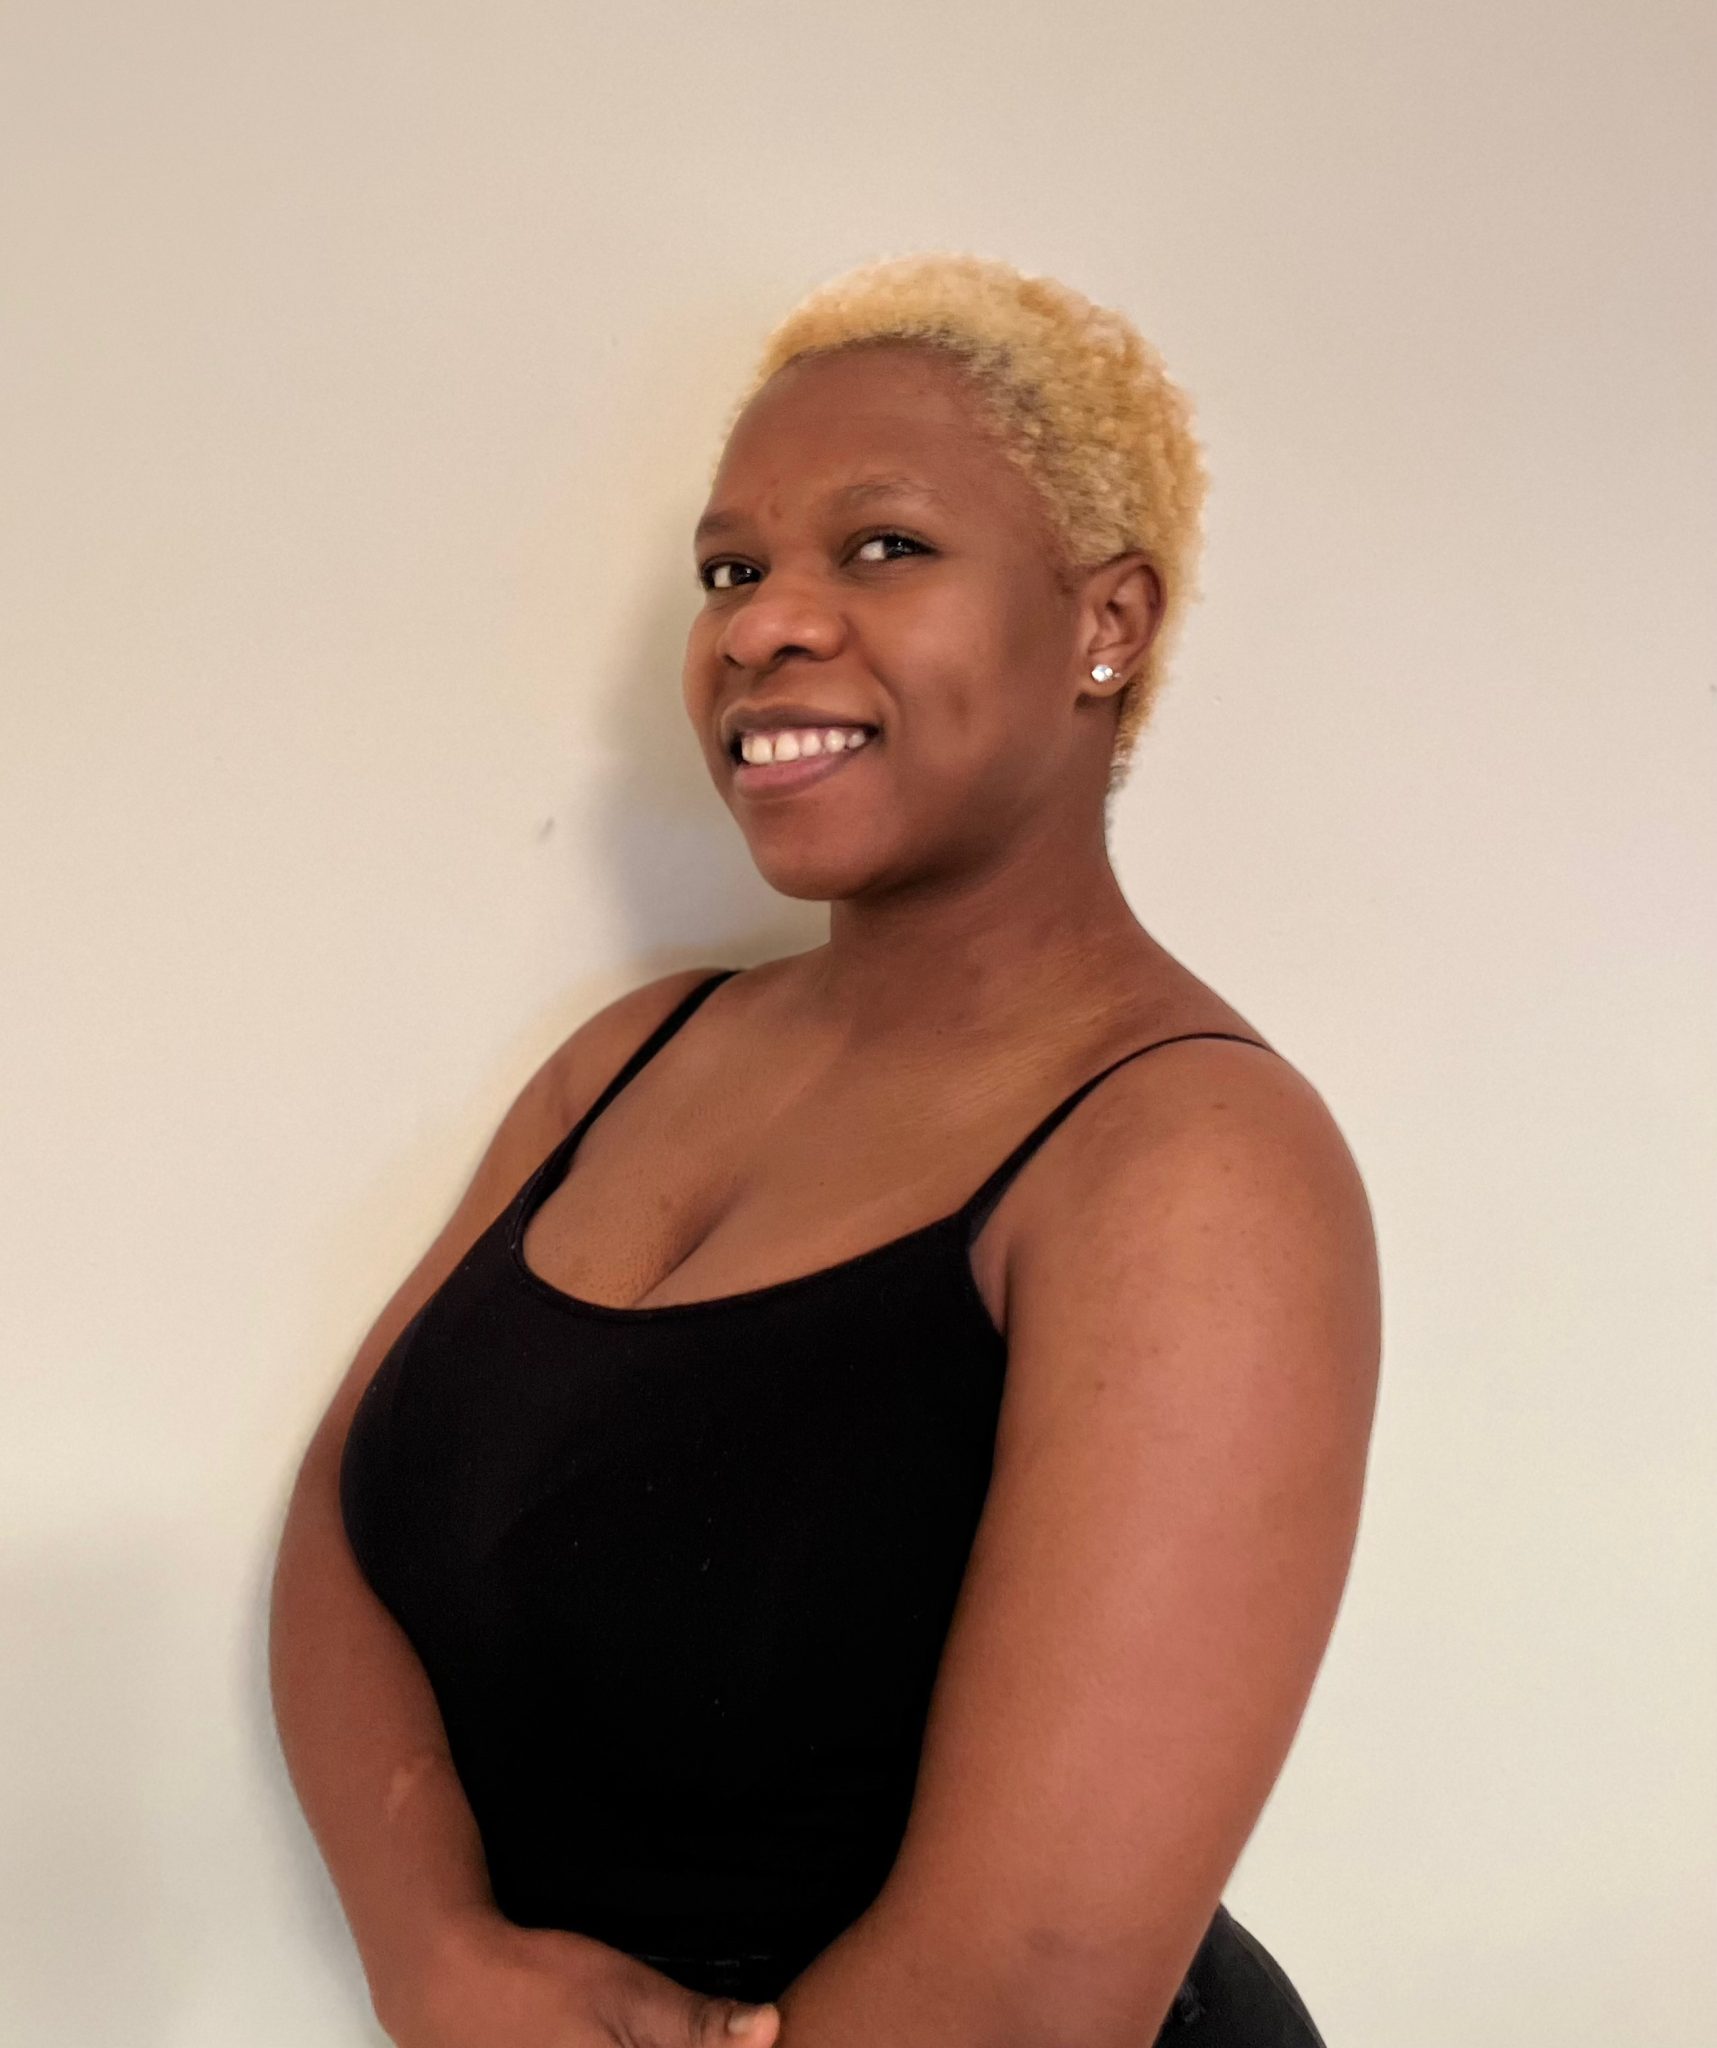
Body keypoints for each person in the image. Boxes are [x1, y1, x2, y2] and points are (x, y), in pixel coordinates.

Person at [270, 252, 1381, 2048]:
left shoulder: (1192, 1163)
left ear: (1105, 624)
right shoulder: (628, 1058)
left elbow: (1029, 1987)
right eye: (731, 571)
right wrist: (436, 1960)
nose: (762, 626)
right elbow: (348, 1519)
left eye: (881, 547)